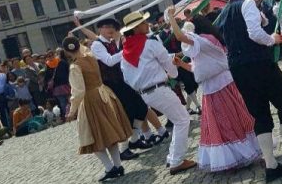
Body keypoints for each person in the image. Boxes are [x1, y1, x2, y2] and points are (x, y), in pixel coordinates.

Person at [214, 0, 282, 182]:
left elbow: (259, 24)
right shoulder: (246, 4)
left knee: (260, 114)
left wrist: (259, 14)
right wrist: (273, 39)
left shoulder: (225, 12)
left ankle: (271, 165)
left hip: (238, 68)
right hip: (259, 63)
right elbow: (255, 33)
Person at [166, 9, 261, 172]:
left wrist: (172, 19)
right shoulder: (205, 42)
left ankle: (240, 155)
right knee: (224, 123)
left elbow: (181, 37)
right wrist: (181, 64)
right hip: (214, 87)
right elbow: (199, 68)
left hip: (221, 87)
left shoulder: (205, 40)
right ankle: (236, 155)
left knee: (229, 121)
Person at [119, 11, 197, 175]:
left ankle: (173, 157)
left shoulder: (125, 51)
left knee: (179, 120)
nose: (147, 24)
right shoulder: (150, 43)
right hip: (158, 88)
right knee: (183, 120)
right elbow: (166, 62)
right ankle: (177, 161)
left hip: (145, 93)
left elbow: (127, 78)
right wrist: (173, 73)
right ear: (136, 28)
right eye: (143, 23)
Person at [78, 18, 159, 160]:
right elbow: (109, 61)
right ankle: (124, 148)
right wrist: (127, 50)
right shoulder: (97, 45)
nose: (111, 29)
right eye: (107, 26)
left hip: (122, 81)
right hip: (111, 84)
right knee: (125, 114)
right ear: (100, 29)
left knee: (140, 108)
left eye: (113, 27)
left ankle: (134, 140)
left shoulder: (110, 42)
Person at [62, 36, 133, 181]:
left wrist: (72, 111)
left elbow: (78, 91)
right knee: (110, 133)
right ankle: (118, 165)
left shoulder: (75, 66)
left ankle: (109, 167)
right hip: (104, 94)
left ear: (66, 51)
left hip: (91, 99)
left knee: (92, 136)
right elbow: (84, 49)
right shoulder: (90, 56)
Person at [158, 20, 201, 115]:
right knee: (188, 84)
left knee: (194, 83)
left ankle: (188, 108)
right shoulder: (159, 36)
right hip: (174, 63)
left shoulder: (176, 30)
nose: (163, 23)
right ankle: (198, 106)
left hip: (185, 59)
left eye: (163, 20)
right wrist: (176, 54)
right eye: (160, 22)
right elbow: (161, 53)